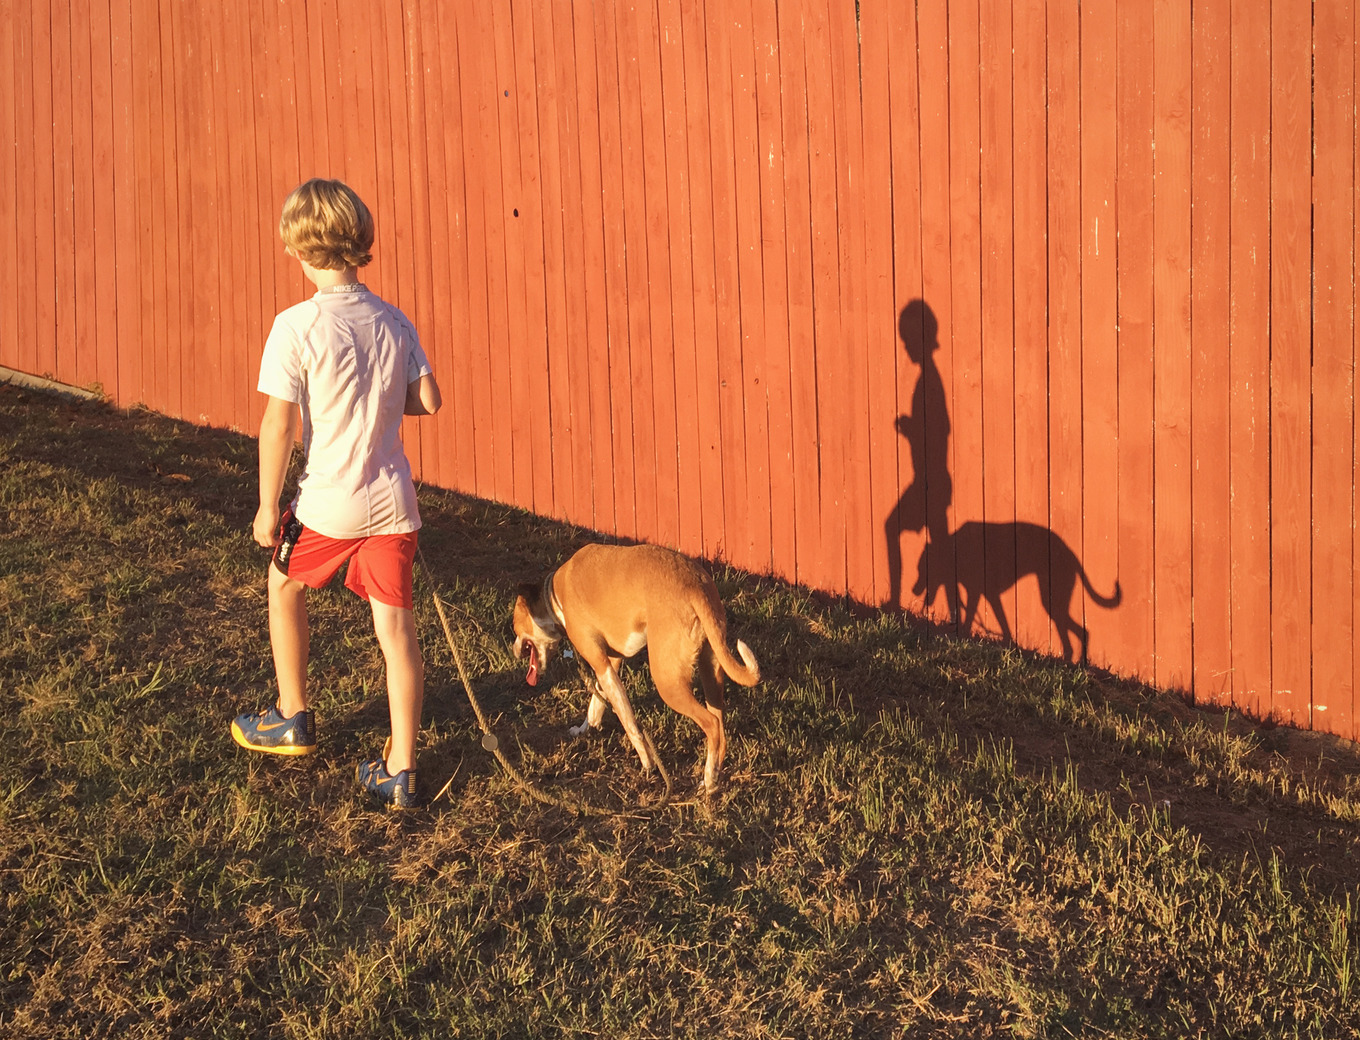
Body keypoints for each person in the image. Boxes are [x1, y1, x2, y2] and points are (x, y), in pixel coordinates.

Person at [230, 178, 442, 809]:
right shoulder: (394, 319)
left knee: (283, 586)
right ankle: (401, 769)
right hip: (393, 503)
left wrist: (267, 506)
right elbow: (428, 400)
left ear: (300, 250)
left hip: (329, 503)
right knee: (396, 630)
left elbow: (279, 424)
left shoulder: (295, 325)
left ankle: (291, 715)